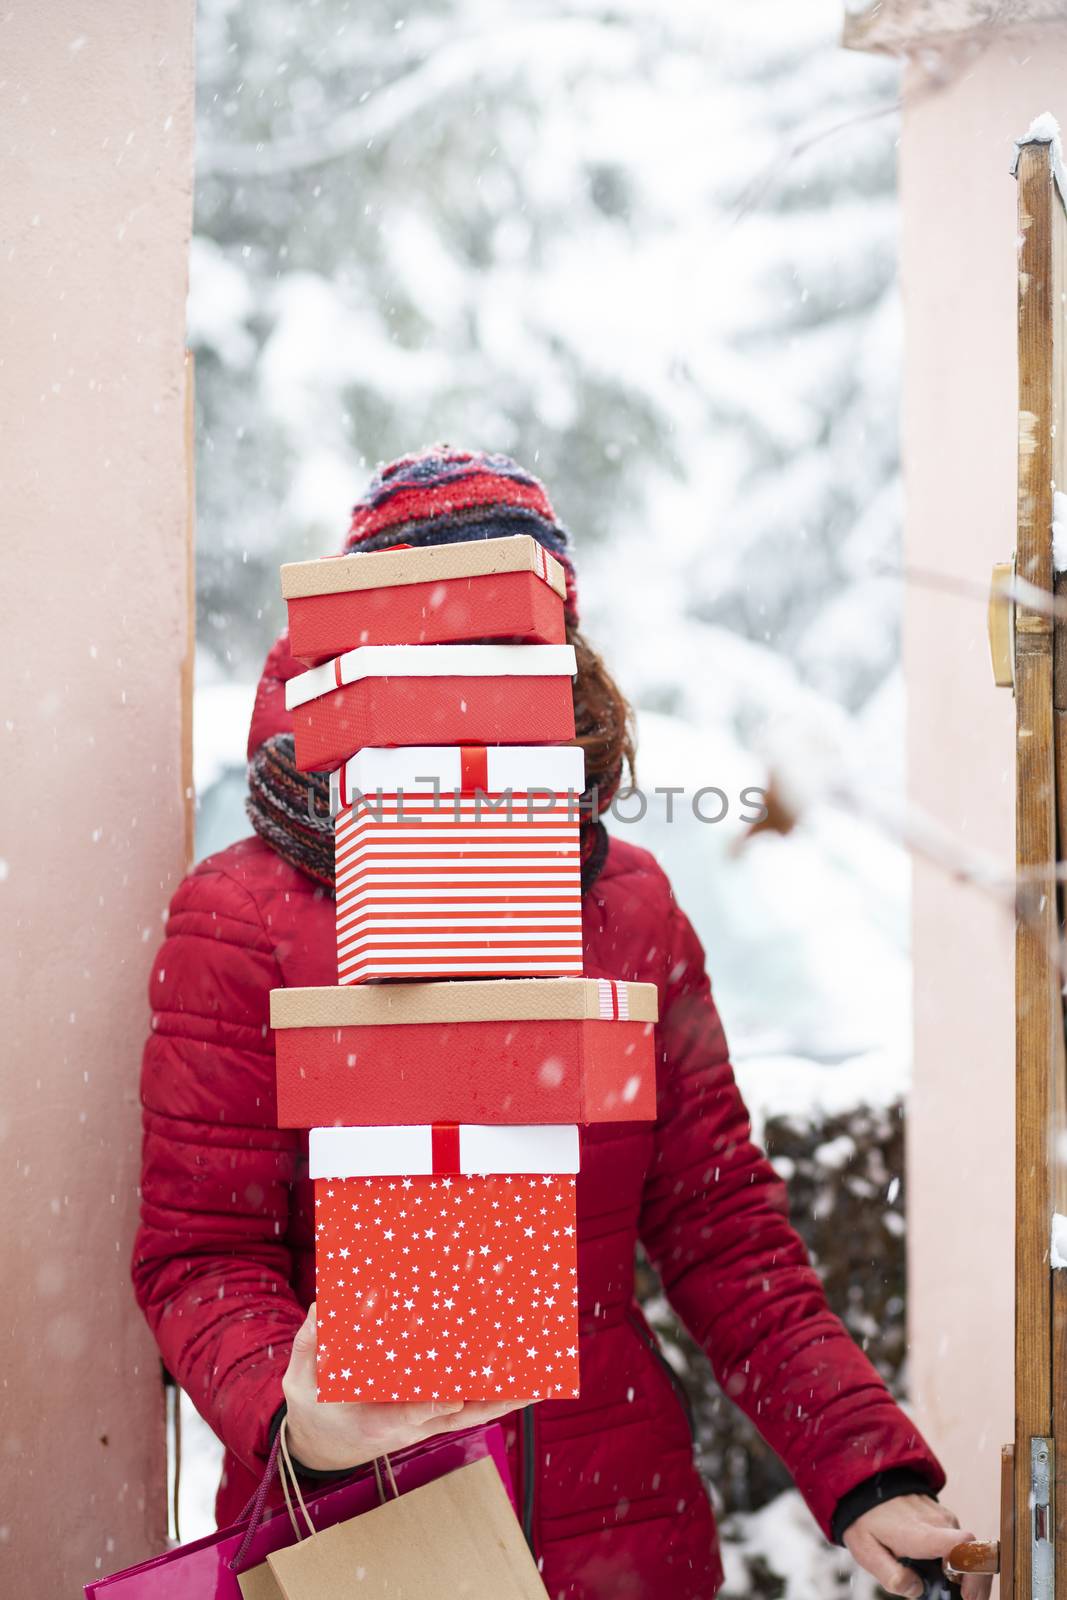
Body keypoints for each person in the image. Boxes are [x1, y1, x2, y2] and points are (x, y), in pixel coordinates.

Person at [132, 447, 987, 1600]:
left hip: (622, 1543)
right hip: (363, 1547)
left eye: (508, 651)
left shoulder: (624, 906)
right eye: (433, 649)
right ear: (350, 660)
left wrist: (864, 1471)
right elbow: (200, 1254)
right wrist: (298, 1422)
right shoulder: (242, 916)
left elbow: (722, 1231)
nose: (471, 689)